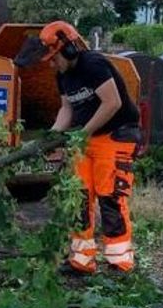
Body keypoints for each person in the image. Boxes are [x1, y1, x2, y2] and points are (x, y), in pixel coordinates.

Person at [30, 21, 141, 275]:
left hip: (115, 135)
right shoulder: (62, 75)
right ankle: (81, 260)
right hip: (87, 139)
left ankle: (120, 262)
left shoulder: (94, 65)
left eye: (53, 57)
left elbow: (111, 103)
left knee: (110, 196)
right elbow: (67, 108)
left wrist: (82, 133)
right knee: (78, 197)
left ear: (68, 49)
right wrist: (52, 136)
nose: (51, 63)